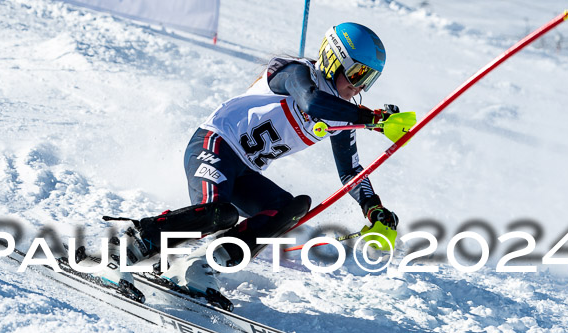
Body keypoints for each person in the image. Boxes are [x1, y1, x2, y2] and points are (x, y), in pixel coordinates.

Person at [97, 23, 401, 306]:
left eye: (369, 79)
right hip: (214, 144)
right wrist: (371, 119)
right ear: (334, 60)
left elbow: (350, 171)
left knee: (290, 208)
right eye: (358, 74)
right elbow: (311, 102)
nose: (359, 87)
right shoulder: (294, 71)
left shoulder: (344, 113)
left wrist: (372, 207)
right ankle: (126, 248)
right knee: (219, 214)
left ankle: (198, 265)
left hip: (243, 170)